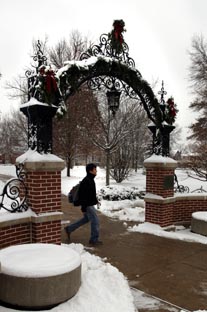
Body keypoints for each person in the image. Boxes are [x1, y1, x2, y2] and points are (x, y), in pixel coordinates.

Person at [64, 163, 103, 246]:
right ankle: (93, 240)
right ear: (90, 170)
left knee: (86, 219)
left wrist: (96, 201)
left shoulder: (90, 179)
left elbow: (90, 194)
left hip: (88, 204)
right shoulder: (87, 181)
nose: (96, 171)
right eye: (95, 169)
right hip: (87, 205)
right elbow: (83, 196)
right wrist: (84, 207)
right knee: (95, 221)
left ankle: (69, 229)